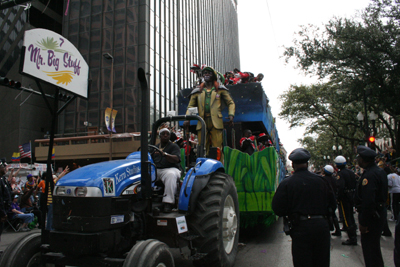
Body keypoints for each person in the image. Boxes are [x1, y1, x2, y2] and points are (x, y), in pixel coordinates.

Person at [272, 148, 336, 267]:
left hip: (300, 228)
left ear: (293, 164)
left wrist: (290, 211)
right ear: (307, 163)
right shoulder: (322, 181)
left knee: (302, 262)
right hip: (321, 227)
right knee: (322, 262)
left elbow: (277, 208)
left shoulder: (287, 183)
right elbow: (333, 204)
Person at [184, 66, 235, 160]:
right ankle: (203, 166)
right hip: (202, 121)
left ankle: (219, 166)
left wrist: (231, 115)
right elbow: (190, 106)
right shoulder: (197, 91)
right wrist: (188, 118)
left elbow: (230, 103)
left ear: (214, 75)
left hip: (216, 122)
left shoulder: (220, 89)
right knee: (202, 147)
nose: (206, 74)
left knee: (217, 148)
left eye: (209, 73)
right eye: (205, 73)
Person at [355, 145, 388, 267]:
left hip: (372, 216)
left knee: (370, 250)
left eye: (358, 158)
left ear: (363, 159)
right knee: (373, 248)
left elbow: (368, 201)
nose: (357, 161)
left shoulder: (370, 175)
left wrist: (363, 222)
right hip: (378, 212)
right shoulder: (378, 171)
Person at [152, 128, 182, 213]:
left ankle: (168, 202)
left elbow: (176, 159)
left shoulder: (174, 146)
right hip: (156, 169)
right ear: (159, 136)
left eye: (167, 134)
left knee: (171, 175)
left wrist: (164, 154)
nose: (165, 135)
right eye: (163, 134)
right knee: (144, 174)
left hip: (170, 169)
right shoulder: (155, 147)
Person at [334, 155, 357, 245]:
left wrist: (338, 198)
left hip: (345, 197)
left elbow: (340, 187)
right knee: (351, 215)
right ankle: (353, 231)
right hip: (351, 195)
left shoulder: (340, 174)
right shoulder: (350, 172)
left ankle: (352, 237)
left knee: (347, 217)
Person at [323, 165, 341, 237]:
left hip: (326, 200)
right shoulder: (334, 179)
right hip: (333, 199)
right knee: (333, 215)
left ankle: (328, 230)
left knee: (327, 216)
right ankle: (337, 229)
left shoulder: (323, 179)